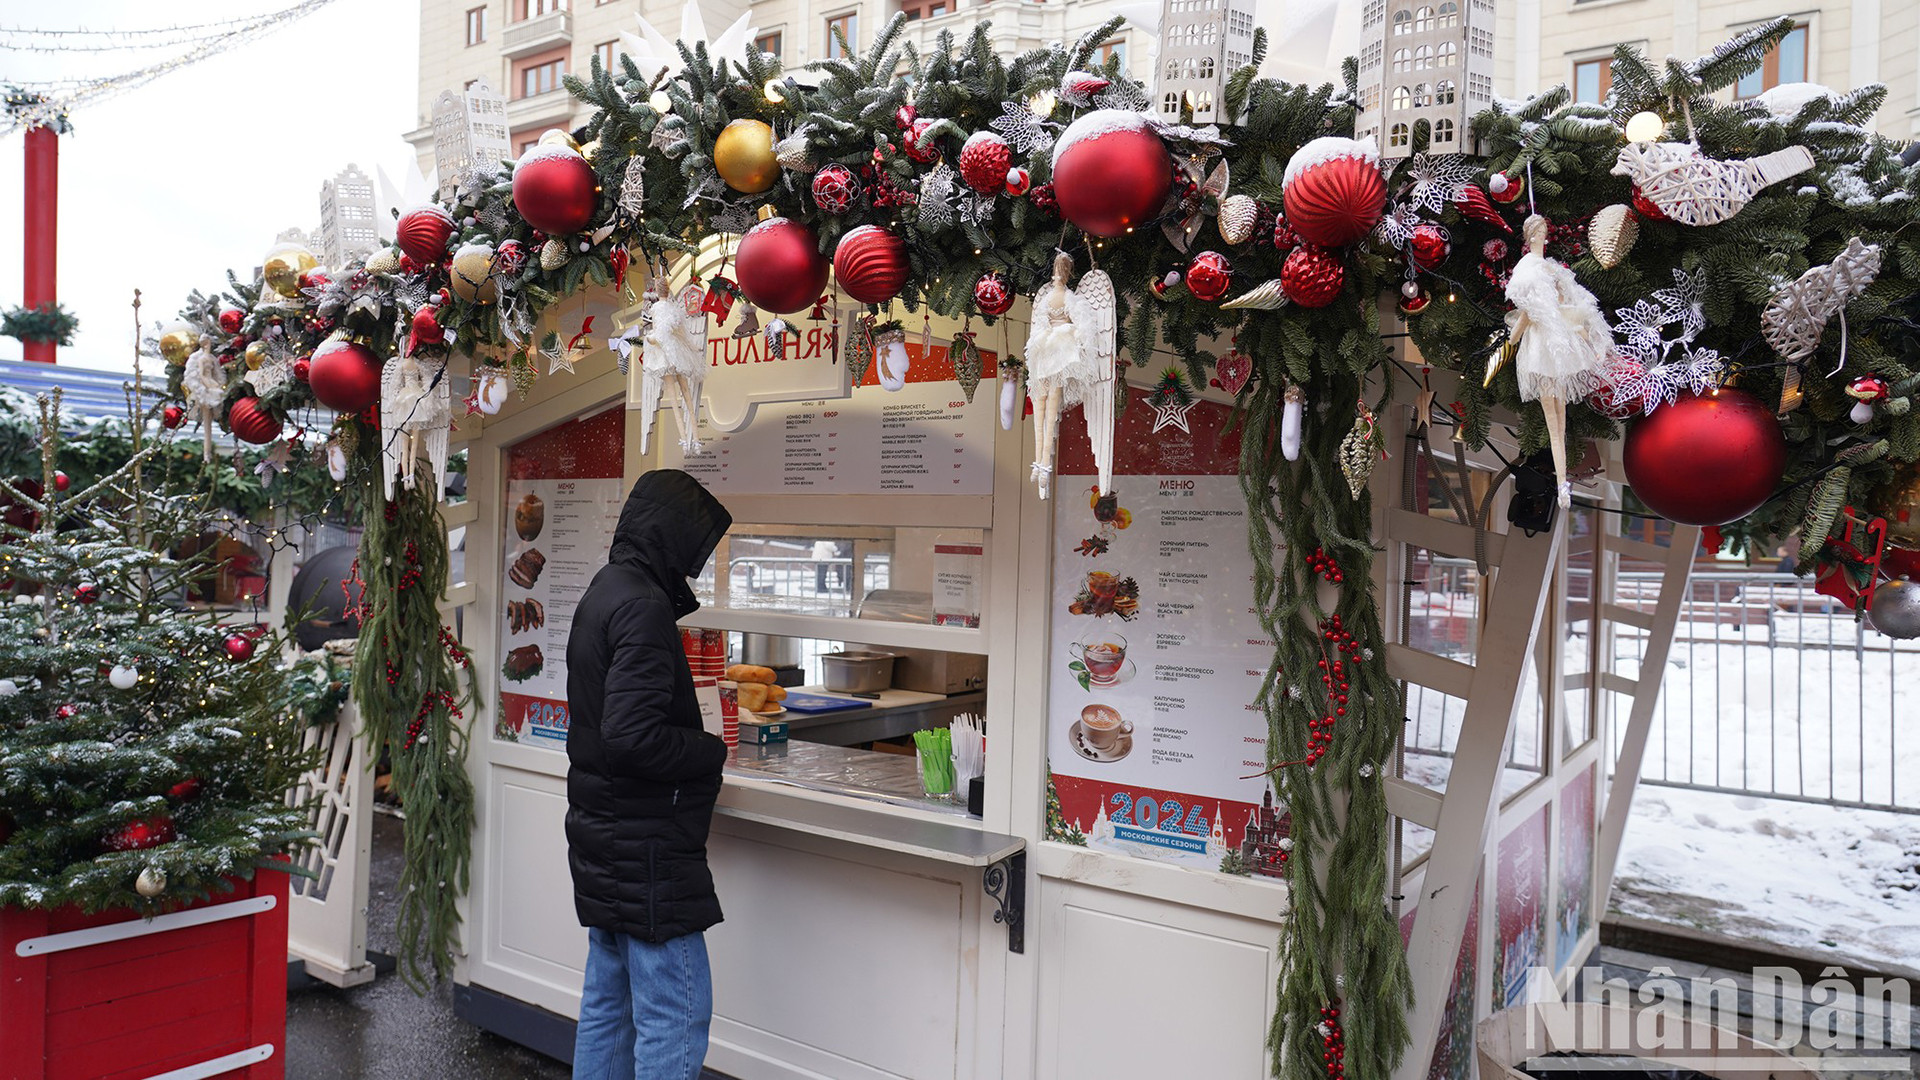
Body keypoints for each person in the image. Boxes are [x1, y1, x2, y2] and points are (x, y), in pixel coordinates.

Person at [566, 469, 733, 1080]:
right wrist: (707, 751)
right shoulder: (643, 606)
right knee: (676, 1012)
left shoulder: (606, 589)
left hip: (605, 837)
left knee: (609, 1006)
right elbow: (633, 736)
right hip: (649, 851)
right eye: (697, 544)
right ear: (672, 536)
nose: (698, 560)